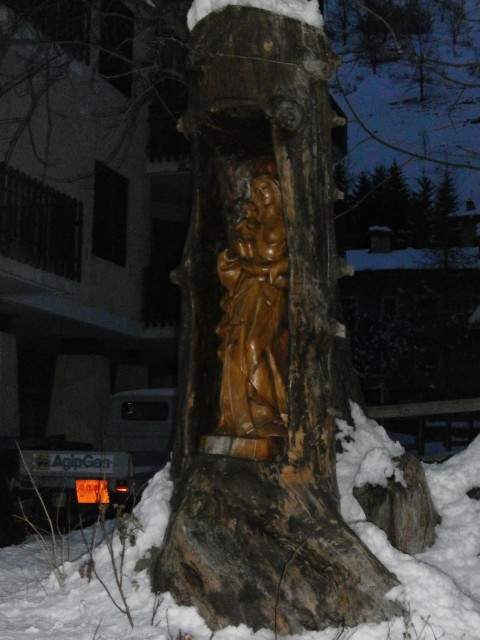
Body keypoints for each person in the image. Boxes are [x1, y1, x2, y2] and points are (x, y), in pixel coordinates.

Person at [215, 171, 289, 437]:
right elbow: (242, 252)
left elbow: (298, 259)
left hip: (270, 290)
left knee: (255, 344)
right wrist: (236, 254)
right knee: (234, 345)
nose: (260, 193)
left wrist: (275, 268)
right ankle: (242, 415)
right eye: (256, 189)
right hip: (248, 287)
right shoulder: (255, 222)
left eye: (265, 187)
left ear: (276, 189)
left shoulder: (287, 221)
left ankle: (270, 410)